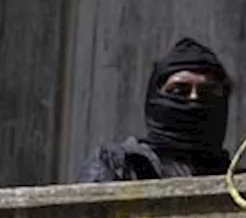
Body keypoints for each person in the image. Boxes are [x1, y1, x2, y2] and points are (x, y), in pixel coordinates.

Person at [77, 37, 234, 183]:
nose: (193, 99)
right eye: (179, 92)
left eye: (206, 93)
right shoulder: (118, 165)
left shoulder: (238, 184)